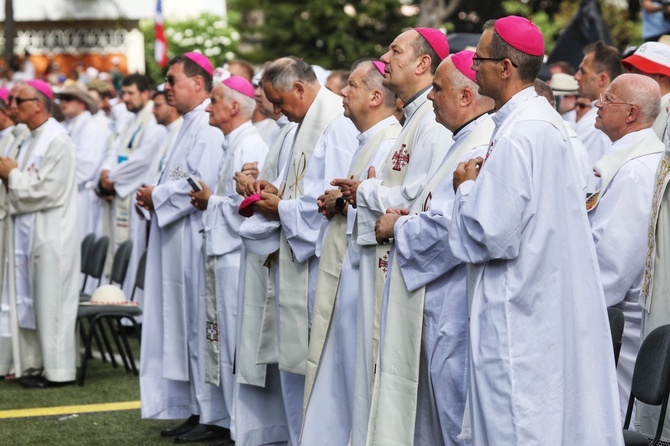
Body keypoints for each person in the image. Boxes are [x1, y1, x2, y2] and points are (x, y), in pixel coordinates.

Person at [449, 16, 622, 444]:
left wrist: (466, 189)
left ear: (505, 68)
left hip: (517, 308)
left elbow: (492, 234)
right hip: (541, 299)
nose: (473, 66)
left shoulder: (520, 133)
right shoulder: (542, 124)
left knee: (518, 425)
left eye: (479, 59)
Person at [331, 28, 453, 445]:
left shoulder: (433, 123)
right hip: (390, 261)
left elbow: (419, 197)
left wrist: (365, 190)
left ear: (423, 63)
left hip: (410, 267)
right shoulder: (414, 118)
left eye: (395, 50)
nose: (387, 56)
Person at [371, 50, 494, 446]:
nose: (429, 97)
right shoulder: (461, 140)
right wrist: (410, 214)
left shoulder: (479, 145)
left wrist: (398, 225)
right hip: (438, 302)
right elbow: (437, 207)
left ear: (465, 97)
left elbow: (451, 229)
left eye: (437, 90)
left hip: (455, 304)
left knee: (455, 414)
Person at [250, 56, 359, 444]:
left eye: (279, 102)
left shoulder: (336, 122)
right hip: (300, 261)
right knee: (300, 370)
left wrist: (280, 207)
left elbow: (330, 202)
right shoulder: (301, 123)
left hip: (322, 266)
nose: (277, 113)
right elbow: (297, 185)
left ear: (299, 88)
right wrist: (273, 193)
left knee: (321, 371)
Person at [301, 59, 400, 445]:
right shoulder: (366, 140)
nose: (343, 91)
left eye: (353, 86)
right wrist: (340, 202)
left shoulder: (391, 142)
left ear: (376, 97)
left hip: (366, 279)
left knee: (359, 377)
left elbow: (390, 211)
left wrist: (345, 205)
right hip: (348, 275)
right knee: (342, 377)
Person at [135, 53, 225, 444]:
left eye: (172, 80)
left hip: (195, 237)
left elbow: (200, 184)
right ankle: (196, 408)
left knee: (196, 324)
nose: (166, 88)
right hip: (177, 238)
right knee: (183, 325)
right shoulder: (187, 125)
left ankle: (212, 414)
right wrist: (154, 195)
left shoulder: (207, 125)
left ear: (198, 83)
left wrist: (158, 195)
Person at [189, 76, 269, 443]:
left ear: (234, 107)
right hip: (223, 254)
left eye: (214, 100)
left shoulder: (249, 144)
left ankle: (240, 424)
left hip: (237, 258)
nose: (207, 107)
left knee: (236, 343)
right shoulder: (232, 143)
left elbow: (248, 208)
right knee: (221, 339)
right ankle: (226, 419)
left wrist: (212, 201)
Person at [585, 73, 664, 423]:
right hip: (611, 325)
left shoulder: (636, 171)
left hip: (619, 330)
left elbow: (611, 273)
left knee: (613, 423)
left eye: (608, 98)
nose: (596, 103)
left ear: (631, 113)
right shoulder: (635, 160)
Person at [0, 80, 79, 388]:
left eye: (19, 100)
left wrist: (12, 175)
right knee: (33, 301)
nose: (13, 105)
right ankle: (36, 364)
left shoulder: (58, 139)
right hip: (30, 230)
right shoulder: (30, 136)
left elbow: (48, 189)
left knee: (53, 302)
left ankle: (59, 372)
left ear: (38, 103)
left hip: (53, 232)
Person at [57, 83, 110, 239]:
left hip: (81, 196)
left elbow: (85, 169)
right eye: (62, 99)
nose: (63, 103)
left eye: (68, 99)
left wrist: (56, 182)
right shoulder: (67, 126)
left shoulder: (91, 129)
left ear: (82, 103)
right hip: (68, 193)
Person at [574, 41, 623, 169]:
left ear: (602, 80)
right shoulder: (600, 117)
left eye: (583, 71)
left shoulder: (597, 121)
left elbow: (583, 171)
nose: (576, 77)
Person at [621, 42, 670, 143]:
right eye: (631, 70)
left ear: (662, 76)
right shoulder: (649, 109)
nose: (631, 76)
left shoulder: (665, 111)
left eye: (638, 71)